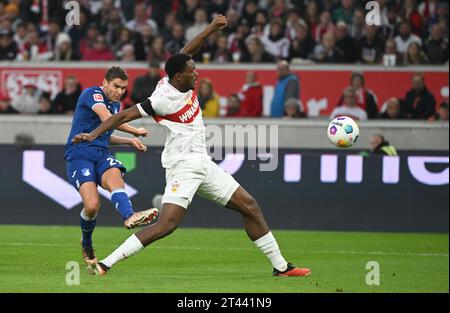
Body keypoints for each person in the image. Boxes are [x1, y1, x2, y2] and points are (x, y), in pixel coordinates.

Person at [73, 15, 310, 278]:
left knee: (250, 205)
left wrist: (212, 27)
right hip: (182, 167)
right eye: (192, 71)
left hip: (203, 163)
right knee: (166, 225)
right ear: (178, 77)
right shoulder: (162, 99)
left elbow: (189, 49)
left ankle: (281, 267)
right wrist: (92, 134)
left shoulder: (174, 76)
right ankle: (106, 263)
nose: (196, 73)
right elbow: (122, 116)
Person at [65, 65, 159, 269]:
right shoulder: (93, 93)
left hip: (101, 153)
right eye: (116, 86)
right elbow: (106, 120)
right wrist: (133, 131)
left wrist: (128, 142)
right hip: (79, 153)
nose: (120, 91)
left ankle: (129, 215)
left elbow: (105, 134)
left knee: (115, 175)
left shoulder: (116, 106)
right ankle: (86, 242)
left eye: (124, 88)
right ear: (105, 82)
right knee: (92, 205)